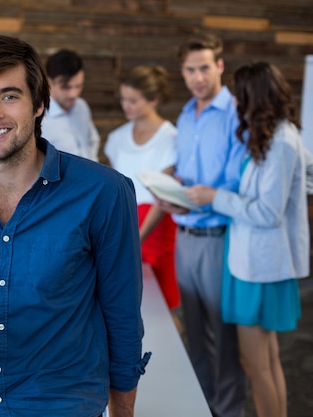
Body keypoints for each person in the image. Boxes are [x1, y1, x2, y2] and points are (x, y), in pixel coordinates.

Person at [0, 35, 149, 417]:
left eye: (9, 96)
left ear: (39, 104)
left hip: (63, 403)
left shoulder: (104, 191)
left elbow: (122, 318)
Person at [184, 62, 309, 417]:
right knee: (264, 361)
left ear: (255, 95)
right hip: (249, 262)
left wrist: (214, 198)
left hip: (261, 266)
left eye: (239, 95)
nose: (236, 102)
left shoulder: (283, 141)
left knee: (257, 364)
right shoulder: (271, 136)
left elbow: (269, 212)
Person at [156, 33, 248, 417]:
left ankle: (229, 411)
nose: (197, 77)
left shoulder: (236, 113)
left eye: (205, 68)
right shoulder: (186, 114)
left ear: (220, 66)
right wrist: (170, 181)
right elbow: (191, 170)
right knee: (193, 331)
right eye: (190, 69)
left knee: (222, 336)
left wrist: (194, 194)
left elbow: (235, 180)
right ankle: (202, 407)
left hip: (217, 236)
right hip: (185, 234)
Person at [104, 65, 181, 322]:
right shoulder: (117, 137)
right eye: (124, 99)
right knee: (127, 303)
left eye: (133, 101)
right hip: (125, 222)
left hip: (157, 226)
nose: (126, 106)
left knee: (162, 306)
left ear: (154, 100)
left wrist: (139, 236)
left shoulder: (170, 137)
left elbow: (163, 193)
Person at [40, 49, 101, 161]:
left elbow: (92, 140)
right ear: (49, 82)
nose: (74, 94)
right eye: (66, 87)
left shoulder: (82, 106)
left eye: (78, 86)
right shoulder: (39, 118)